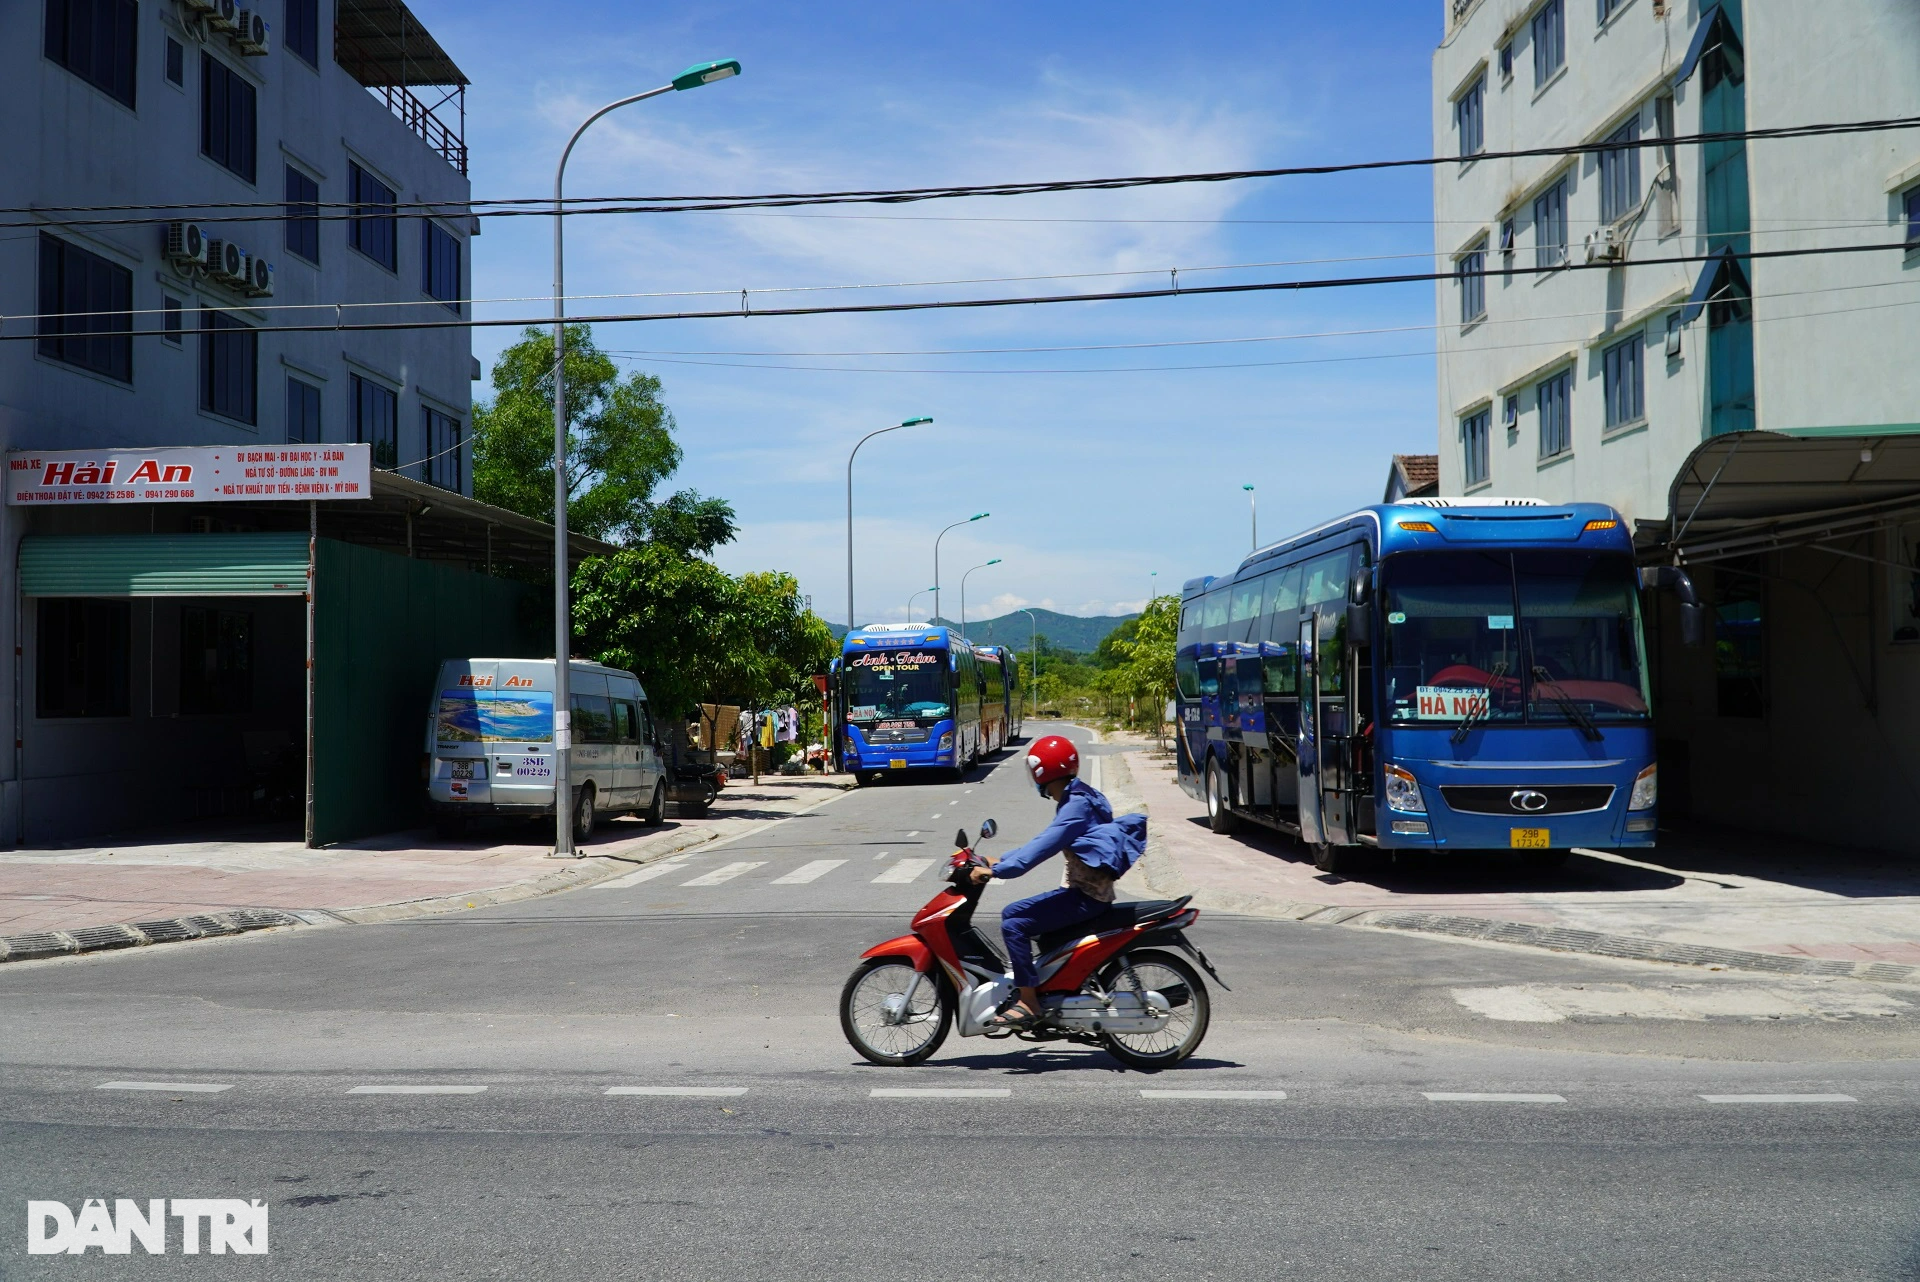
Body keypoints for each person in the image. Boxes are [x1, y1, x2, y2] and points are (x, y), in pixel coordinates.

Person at [970, 734, 1146, 1028]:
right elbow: (1043, 840)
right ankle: (1045, 984)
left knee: (1014, 922)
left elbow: (1043, 847)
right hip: (1089, 892)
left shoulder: (1076, 806)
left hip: (1087, 897)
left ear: (1045, 771)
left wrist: (998, 870)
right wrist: (999, 859)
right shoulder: (1080, 796)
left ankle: (1029, 1001)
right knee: (1014, 912)